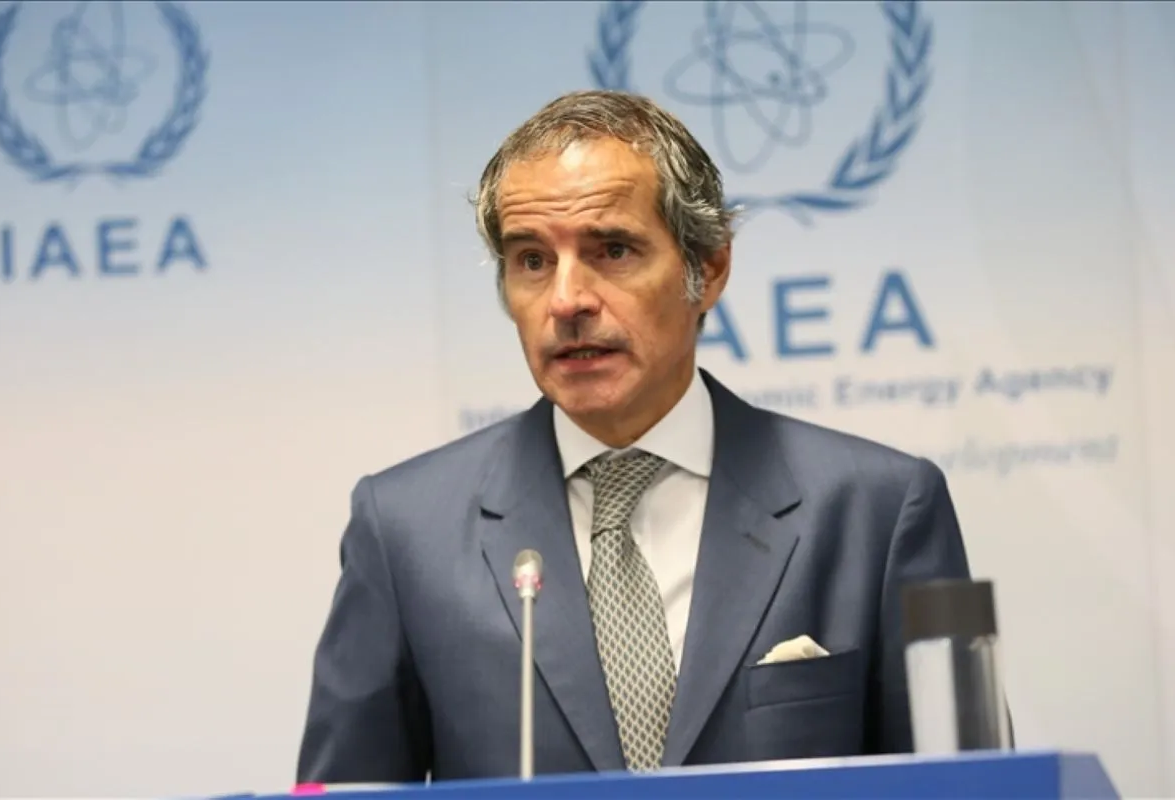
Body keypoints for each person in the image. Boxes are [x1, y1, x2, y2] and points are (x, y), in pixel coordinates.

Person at [295, 89, 973, 784]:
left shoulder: (877, 509)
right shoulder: (406, 531)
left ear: (708, 269)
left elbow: (968, 790)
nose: (567, 301)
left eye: (613, 250)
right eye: (532, 260)